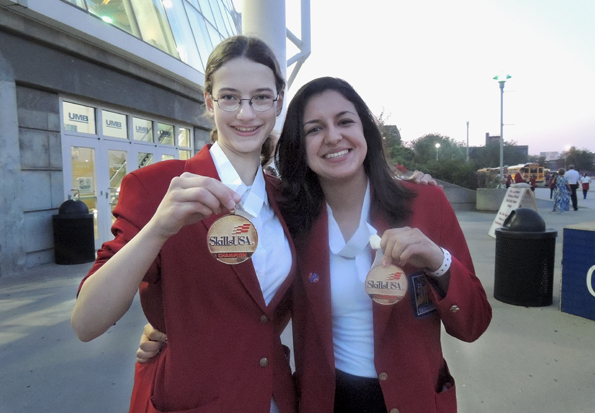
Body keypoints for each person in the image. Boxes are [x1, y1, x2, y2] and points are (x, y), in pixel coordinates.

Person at [71, 35, 300, 413]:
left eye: (261, 97)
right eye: (229, 97)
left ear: (277, 102)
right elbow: (86, 323)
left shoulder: (287, 199)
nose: (246, 113)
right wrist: (158, 229)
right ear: (209, 102)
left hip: (274, 396)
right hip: (191, 397)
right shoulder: (156, 187)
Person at [276, 77, 491, 413]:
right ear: (298, 147)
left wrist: (437, 261)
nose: (333, 136)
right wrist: (167, 329)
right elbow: (251, 304)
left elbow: (474, 323)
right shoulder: (290, 221)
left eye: (345, 121)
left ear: (366, 133)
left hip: (413, 398)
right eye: (314, 129)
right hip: (327, 400)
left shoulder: (425, 203)